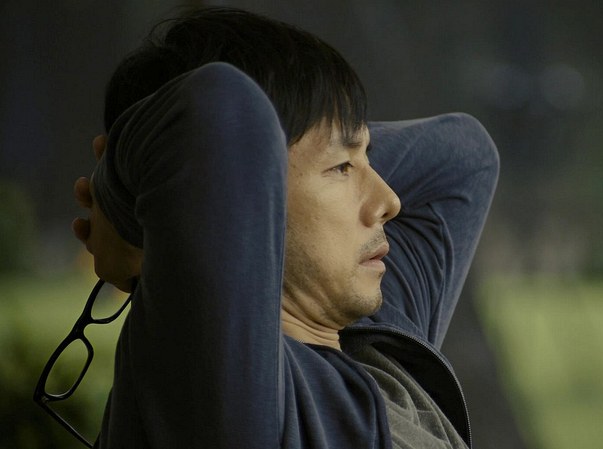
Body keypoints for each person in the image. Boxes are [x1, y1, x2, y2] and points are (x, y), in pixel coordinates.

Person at [70, 7, 498, 448]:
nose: (389, 202)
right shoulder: (223, 386)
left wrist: (134, 219)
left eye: (366, 158)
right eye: (341, 167)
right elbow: (220, 107)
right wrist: (126, 210)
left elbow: (465, 154)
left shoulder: (375, 335)